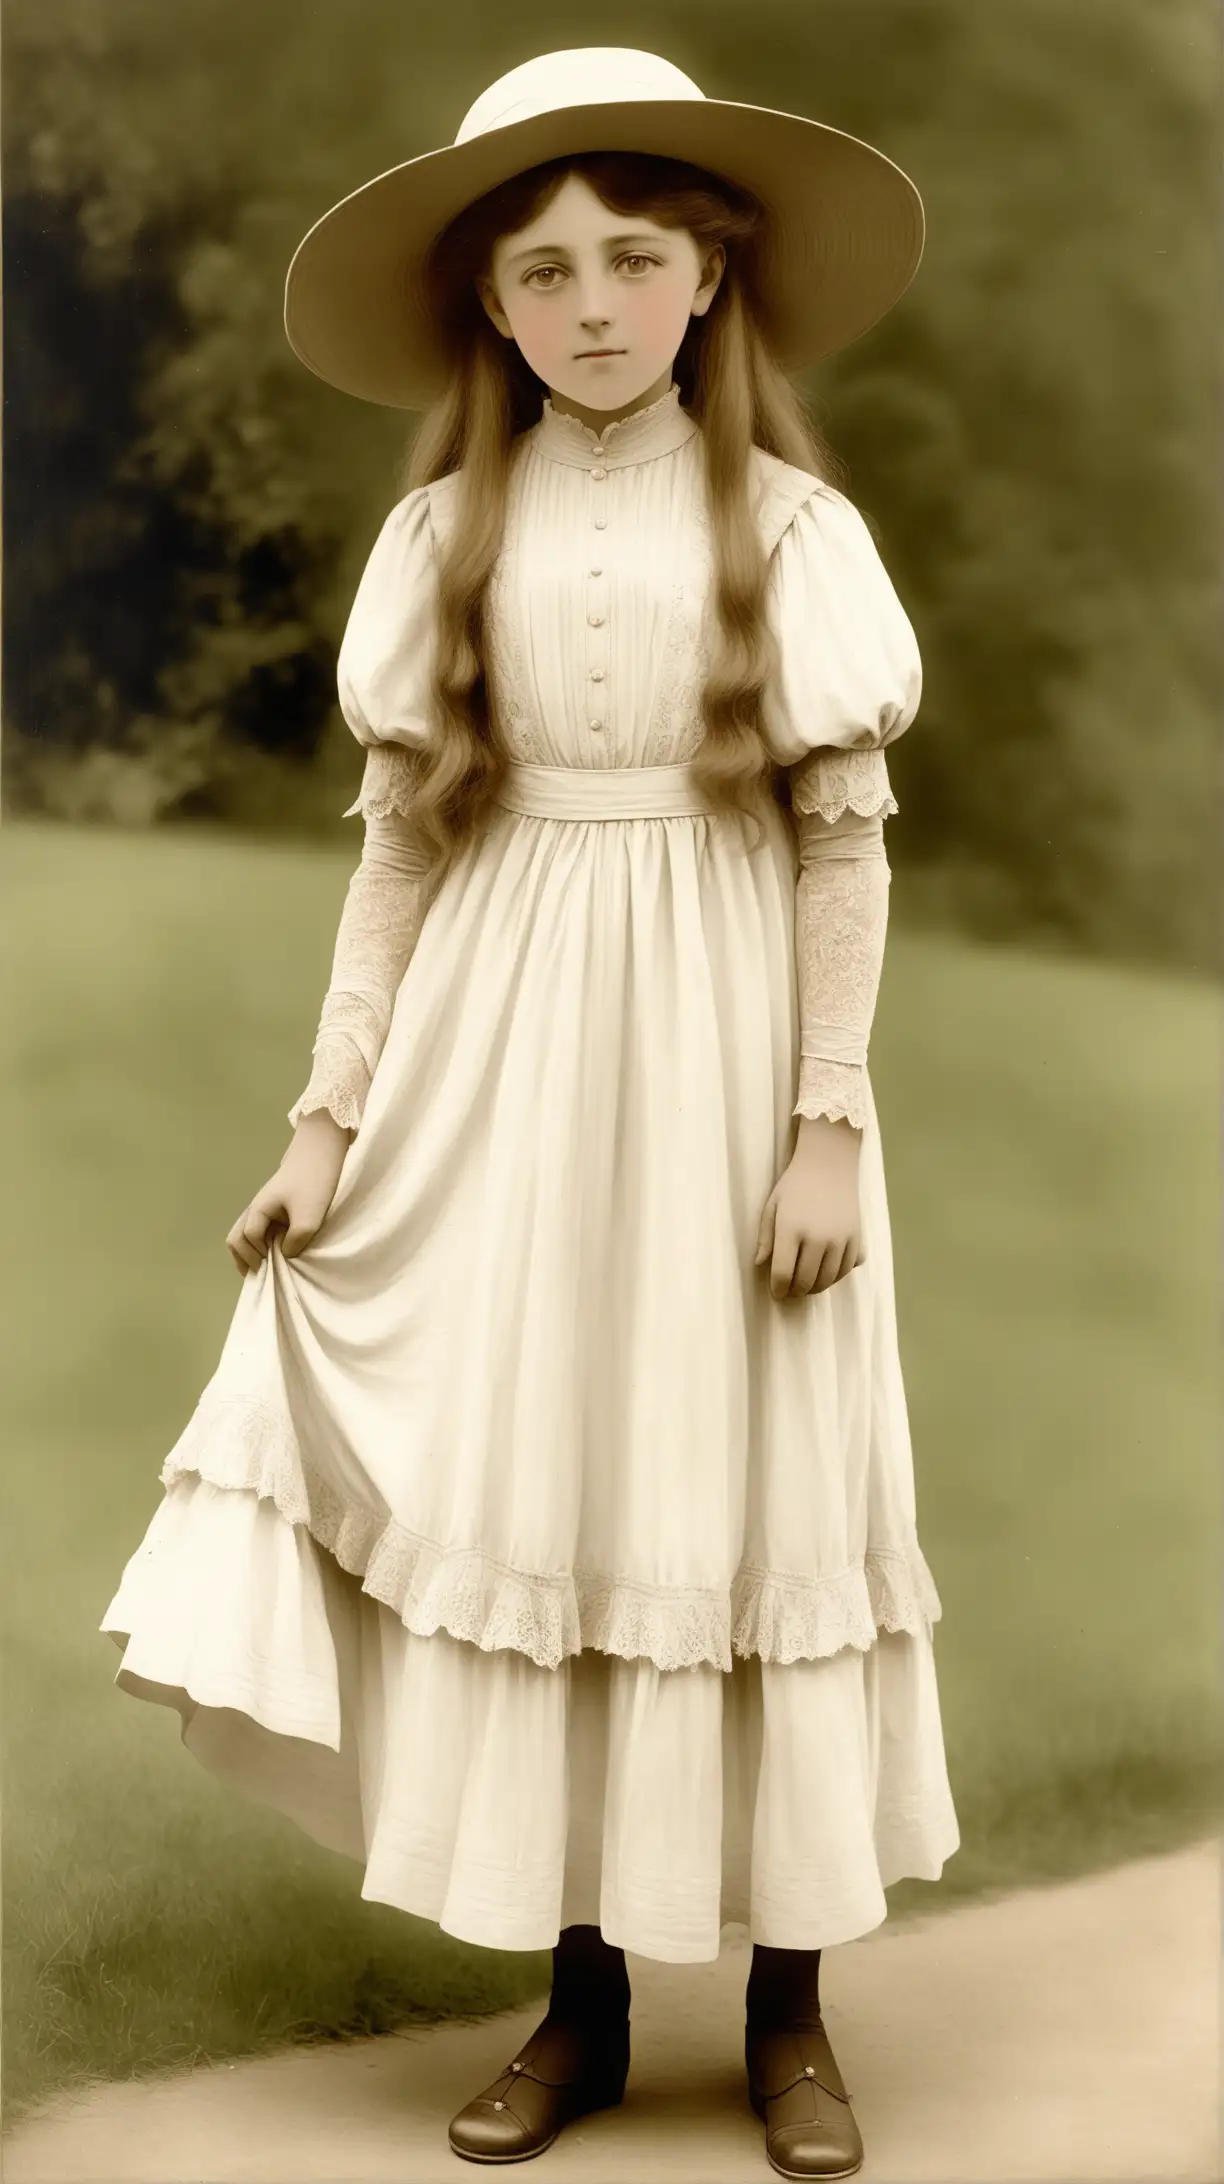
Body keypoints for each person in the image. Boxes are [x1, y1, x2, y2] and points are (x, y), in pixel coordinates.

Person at [101, 46, 960, 2180]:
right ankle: (575, 2001)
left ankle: (789, 2010)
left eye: (633, 259)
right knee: (553, 1468)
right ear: (491, 307)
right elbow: (401, 854)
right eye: (543, 270)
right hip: (499, 1060)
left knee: (744, 1477)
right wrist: (329, 1117)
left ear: (707, 279)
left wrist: (827, 1120)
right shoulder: (444, 539)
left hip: (735, 1046)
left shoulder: (791, 533)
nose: (589, 305)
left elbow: (842, 846)